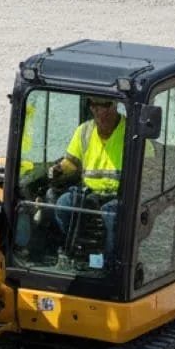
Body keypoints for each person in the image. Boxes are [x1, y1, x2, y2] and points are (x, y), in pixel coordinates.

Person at [50, 97, 125, 262]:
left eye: (104, 104)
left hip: (119, 197)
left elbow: (147, 167)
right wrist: (59, 169)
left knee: (112, 215)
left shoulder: (130, 131)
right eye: (94, 105)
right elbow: (71, 162)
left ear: (115, 105)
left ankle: (110, 263)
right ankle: (73, 253)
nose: (99, 111)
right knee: (64, 204)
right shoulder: (84, 131)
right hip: (90, 195)